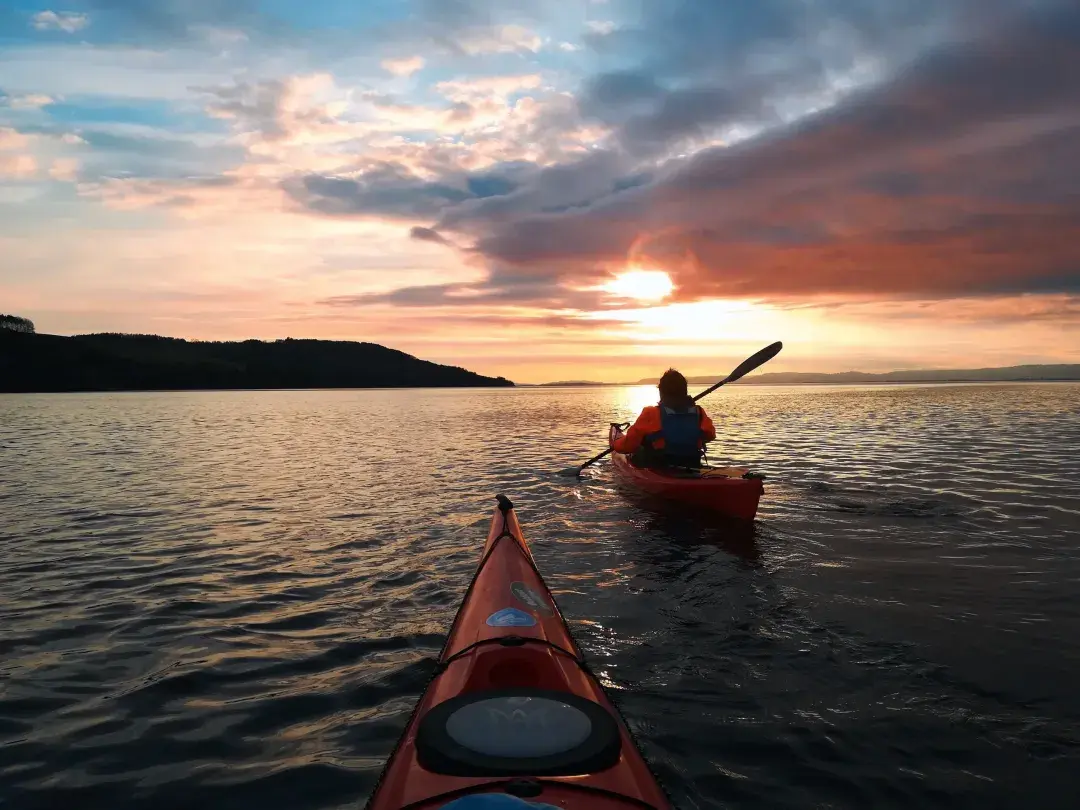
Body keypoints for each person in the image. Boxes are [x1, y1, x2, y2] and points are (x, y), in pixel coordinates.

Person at [612, 368, 716, 469]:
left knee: (638, 448)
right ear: (685, 390)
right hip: (691, 464)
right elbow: (710, 435)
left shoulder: (651, 413)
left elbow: (628, 446)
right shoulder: (699, 412)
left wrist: (615, 444)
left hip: (659, 467)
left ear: (661, 392)